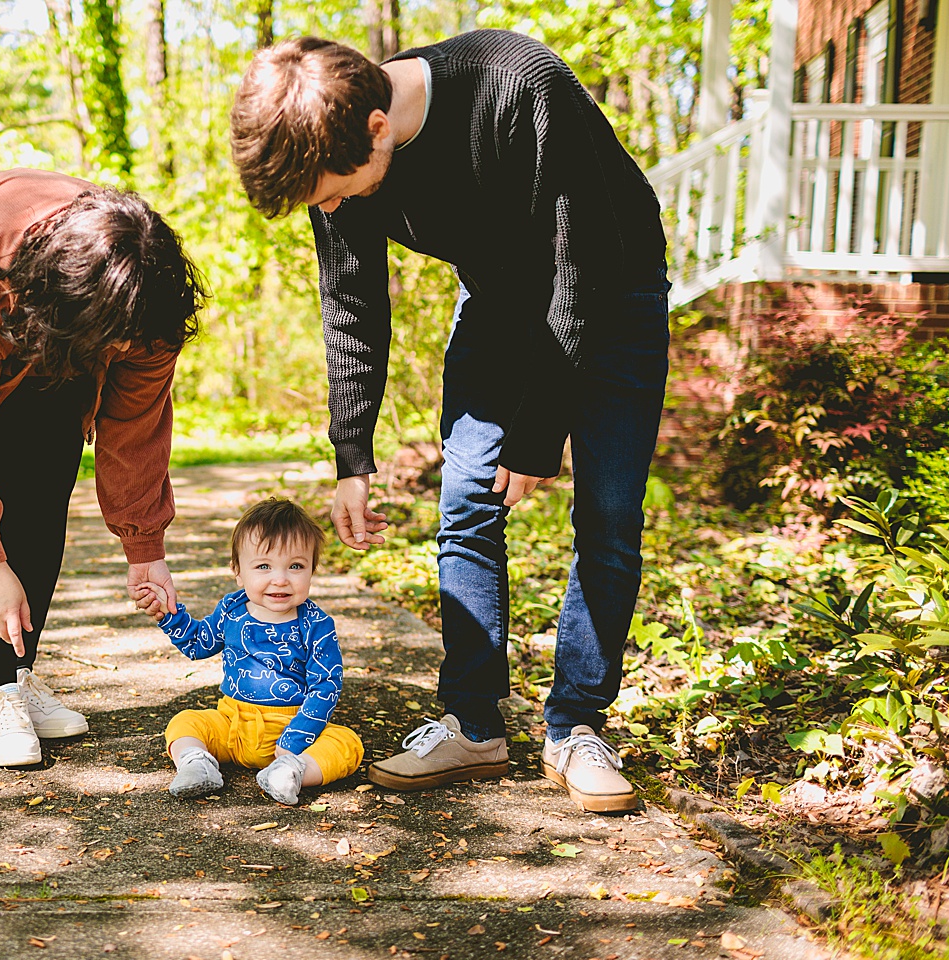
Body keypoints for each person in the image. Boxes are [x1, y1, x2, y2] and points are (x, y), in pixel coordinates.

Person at [230, 32, 669, 813]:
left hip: (614, 290)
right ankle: (473, 725)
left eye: (334, 193)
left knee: (607, 514)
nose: (330, 210)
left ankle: (576, 727)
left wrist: (538, 436)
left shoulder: (517, 87)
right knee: (466, 502)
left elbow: (577, 271)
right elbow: (352, 305)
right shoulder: (331, 151)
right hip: (499, 298)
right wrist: (352, 456)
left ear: (376, 128)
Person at [0, 169, 205, 769]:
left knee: (47, 480)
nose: (128, 354)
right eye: (118, 345)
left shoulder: (146, 296)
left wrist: (145, 546)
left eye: (134, 343)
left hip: (69, 320)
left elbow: (136, 428)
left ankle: (20, 676)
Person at [139, 498, 364, 805]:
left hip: (292, 727)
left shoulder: (316, 624)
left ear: (312, 570)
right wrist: (168, 615)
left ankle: (291, 772)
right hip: (232, 723)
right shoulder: (231, 611)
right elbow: (198, 643)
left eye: (296, 566)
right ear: (239, 572)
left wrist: (298, 737)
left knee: (347, 744)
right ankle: (197, 763)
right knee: (185, 722)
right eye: (263, 566)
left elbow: (325, 686)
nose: (280, 579)